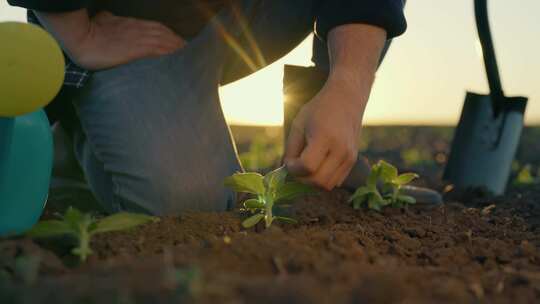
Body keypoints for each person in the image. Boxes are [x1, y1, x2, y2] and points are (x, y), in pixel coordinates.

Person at [8, 0, 439, 215]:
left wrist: (347, 85)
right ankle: (74, 140)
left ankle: (316, 163)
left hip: (250, 13)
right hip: (134, 21)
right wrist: (79, 33)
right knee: (187, 203)